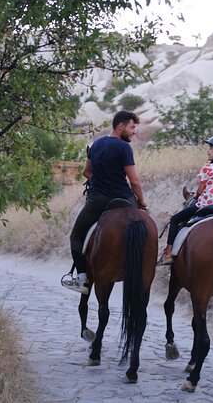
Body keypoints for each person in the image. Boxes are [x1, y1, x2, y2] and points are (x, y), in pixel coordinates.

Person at [62, 110, 148, 293]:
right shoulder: (124, 148)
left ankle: (82, 279)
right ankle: (146, 268)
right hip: (124, 199)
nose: (134, 132)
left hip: (98, 200)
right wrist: (142, 202)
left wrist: (100, 179)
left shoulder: (96, 145)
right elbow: (134, 181)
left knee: (76, 236)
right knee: (145, 228)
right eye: (132, 127)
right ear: (121, 126)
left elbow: (86, 172)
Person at [157, 134, 213, 266]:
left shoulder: (208, 168)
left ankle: (168, 255)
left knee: (175, 220)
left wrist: (194, 197)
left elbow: (199, 192)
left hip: (204, 207)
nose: (208, 150)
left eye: (211, 148)